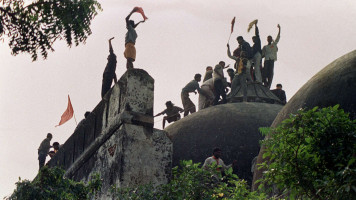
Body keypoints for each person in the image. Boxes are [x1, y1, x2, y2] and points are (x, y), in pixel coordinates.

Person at [262, 24, 281, 88]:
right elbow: (262, 54)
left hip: (271, 59)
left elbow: (278, 38)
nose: (269, 39)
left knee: (270, 72)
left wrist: (279, 29)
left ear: (271, 39)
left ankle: (269, 84)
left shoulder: (274, 44)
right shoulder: (265, 47)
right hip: (266, 60)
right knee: (265, 71)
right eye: (268, 38)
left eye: (270, 38)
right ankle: (265, 82)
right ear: (267, 39)